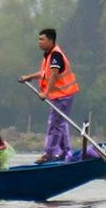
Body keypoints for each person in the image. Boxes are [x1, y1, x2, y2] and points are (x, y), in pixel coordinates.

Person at [21, 27, 80, 162]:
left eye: (42, 39)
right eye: (39, 39)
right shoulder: (48, 55)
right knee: (61, 123)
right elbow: (44, 73)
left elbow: (53, 75)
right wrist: (28, 77)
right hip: (59, 95)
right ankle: (66, 152)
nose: (39, 42)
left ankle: (48, 154)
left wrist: (45, 93)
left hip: (63, 95)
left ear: (51, 40)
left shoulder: (56, 55)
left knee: (54, 123)